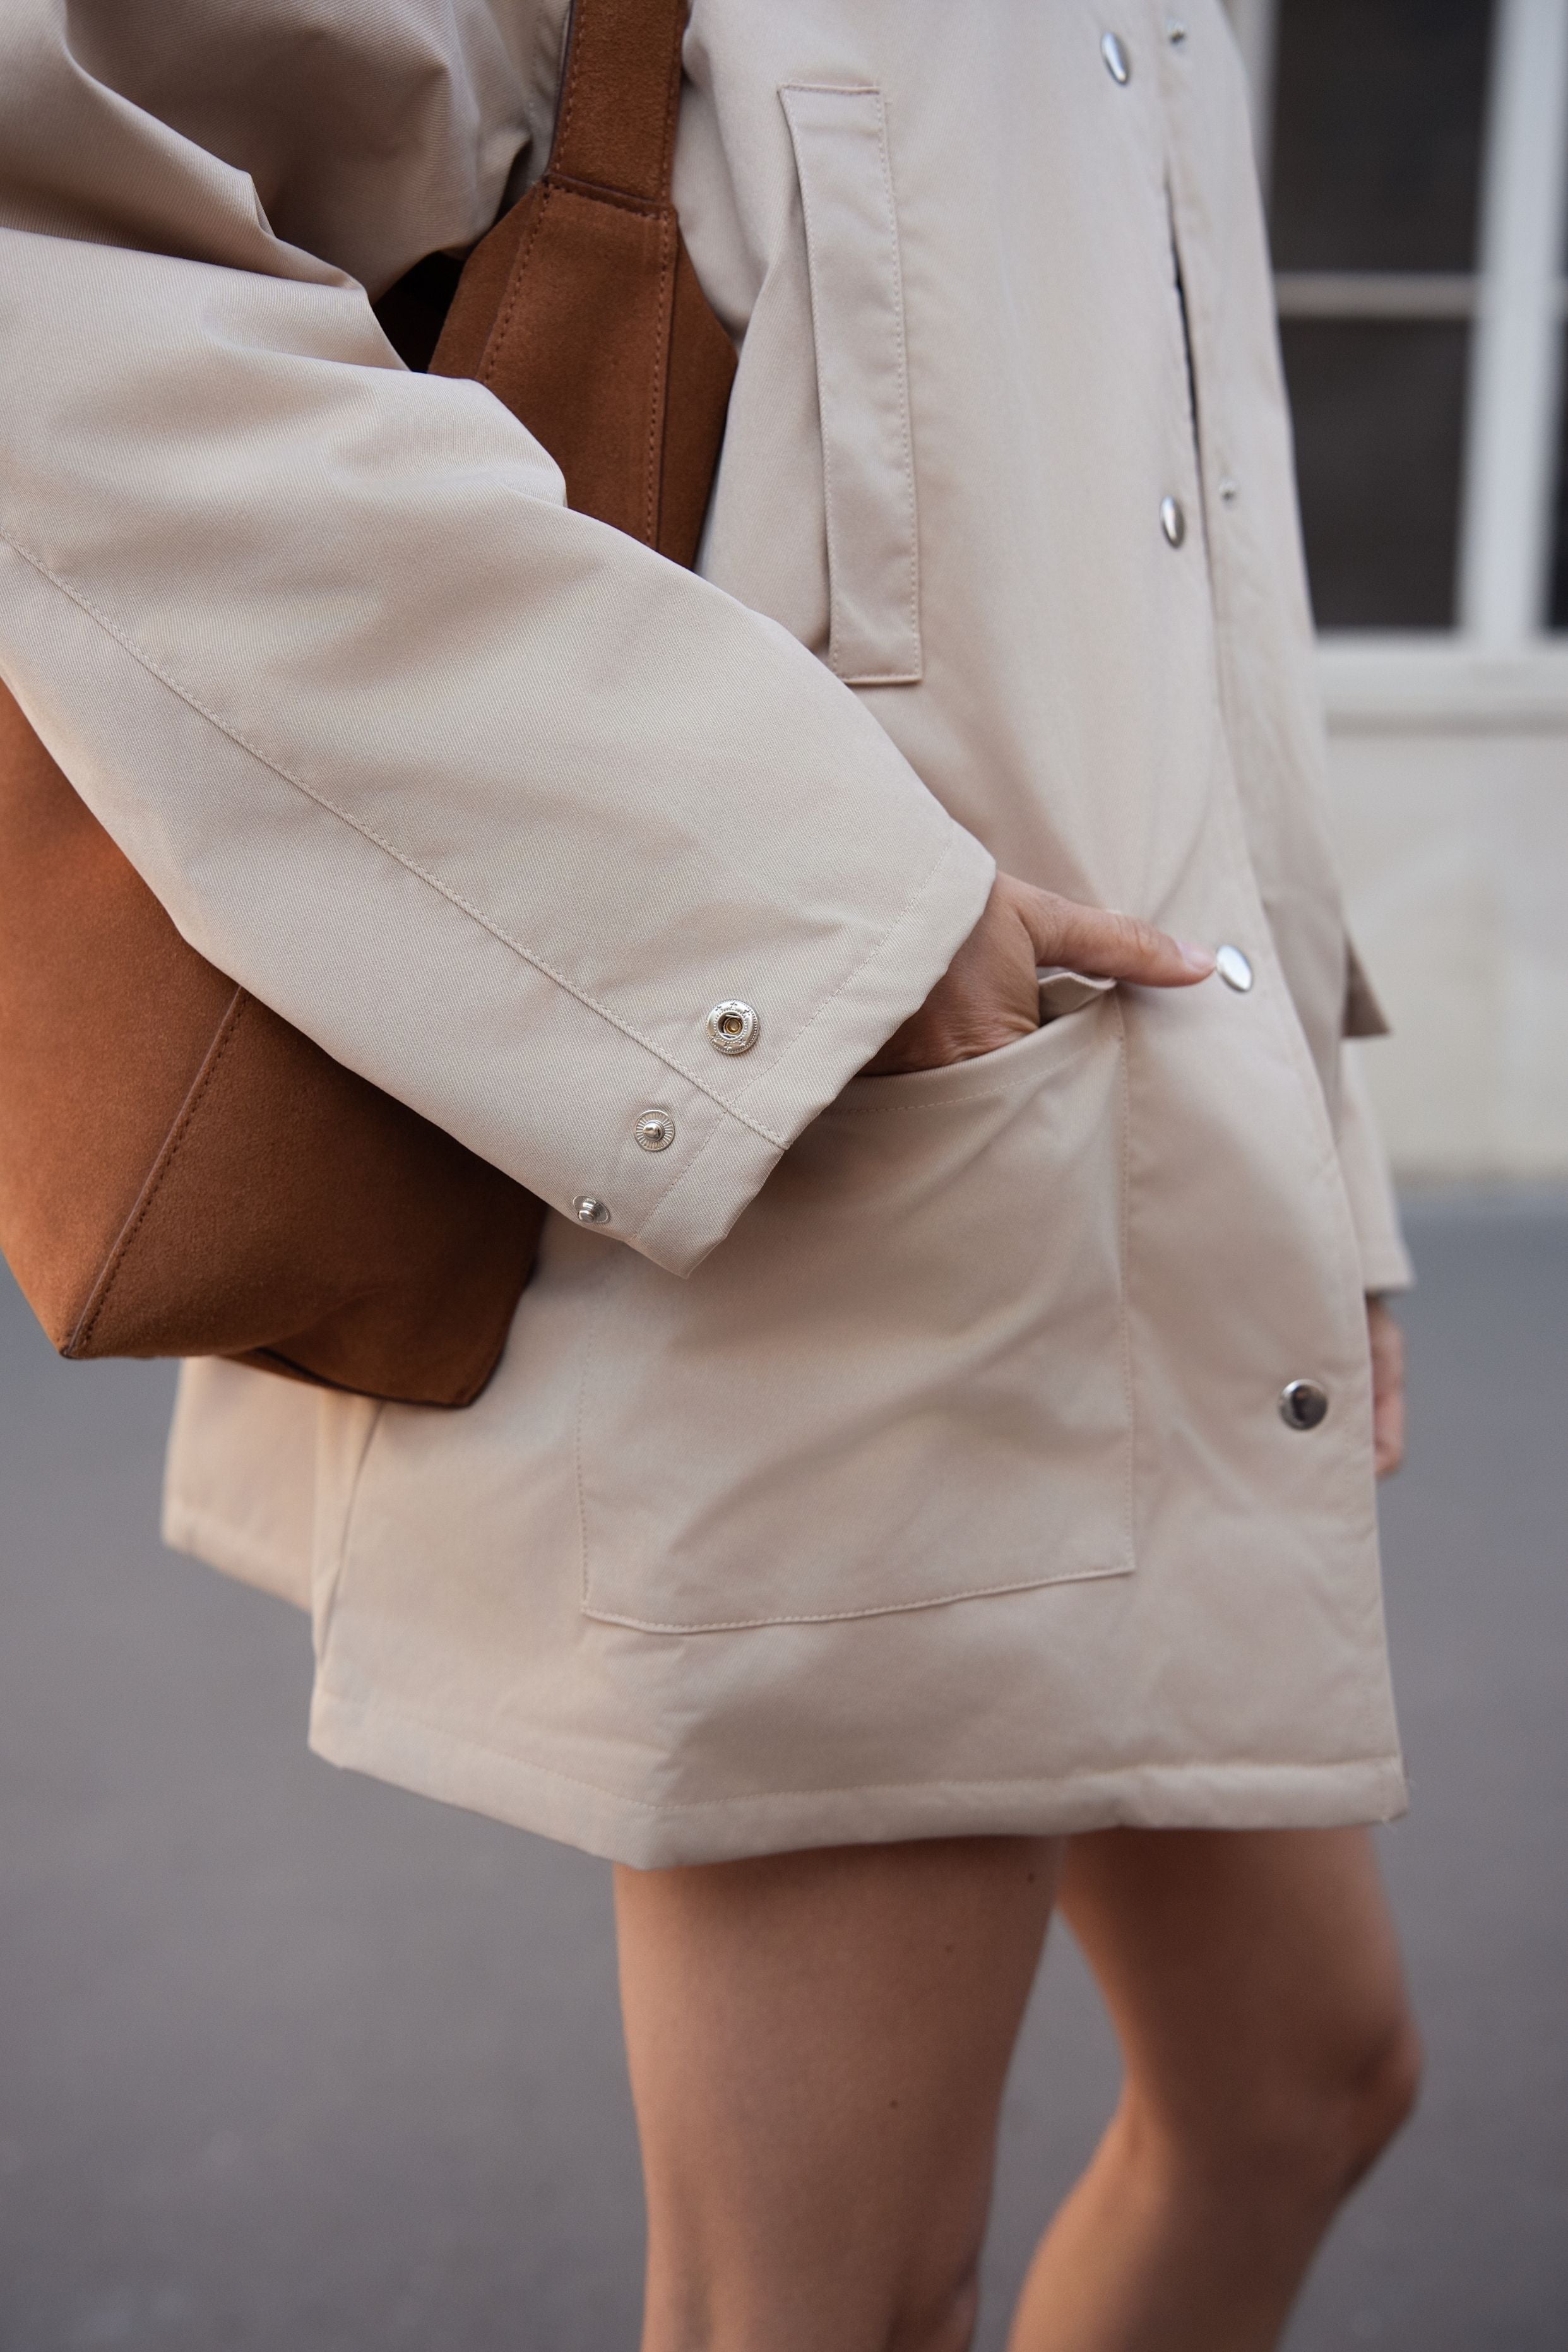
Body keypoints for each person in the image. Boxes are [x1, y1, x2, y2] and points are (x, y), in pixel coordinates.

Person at [0, 2, 1421, 2344]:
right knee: (825, 2304)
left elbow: (1189, 562)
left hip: (1150, 1152)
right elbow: (58, 264)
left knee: (1301, 2084)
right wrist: (812, 907)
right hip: (832, 1196)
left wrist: (1321, 1181)